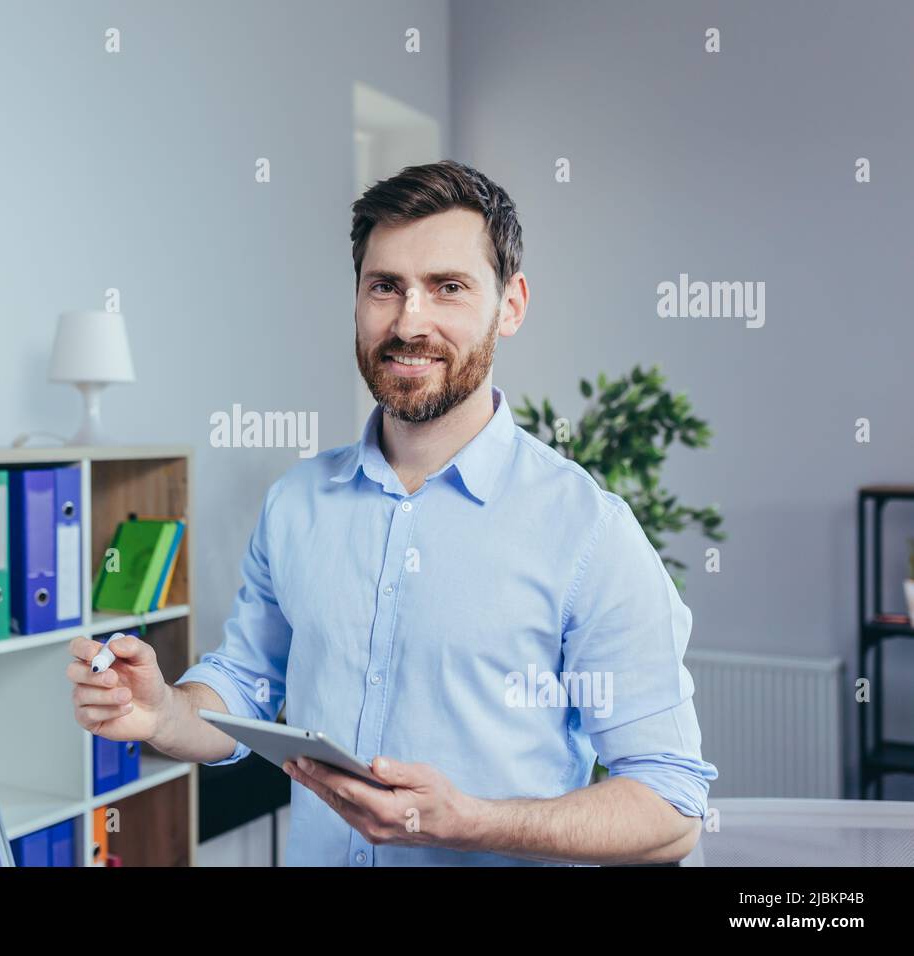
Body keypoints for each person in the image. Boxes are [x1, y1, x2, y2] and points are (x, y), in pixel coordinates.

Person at [67, 159, 717, 866]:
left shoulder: (589, 532)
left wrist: (466, 820)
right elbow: (244, 688)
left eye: (448, 288)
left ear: (511, 305)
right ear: (357, 300)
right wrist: (164, 712)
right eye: (386, 287)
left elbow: (671, 805)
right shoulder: (296, 503)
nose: (410, 321)